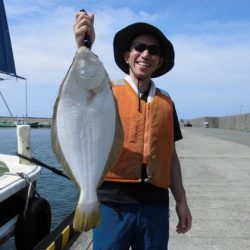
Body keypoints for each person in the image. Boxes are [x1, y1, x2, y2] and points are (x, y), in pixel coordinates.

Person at [74, 11, 192, 250]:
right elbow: (79, 90)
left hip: (155, 206)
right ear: (127, 55)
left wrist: (182, 201)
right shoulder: (104, 92)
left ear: (159, 62)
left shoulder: (166, 102)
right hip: (111, 204)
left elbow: (170, 157)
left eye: (154, 51)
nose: (146, 54)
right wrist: (83, 48)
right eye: (139, 47)